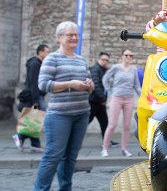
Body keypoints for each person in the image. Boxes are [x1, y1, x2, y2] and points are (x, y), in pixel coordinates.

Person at [34, 21, 94, 191]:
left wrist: (89, 85)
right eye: (70, 35)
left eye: (76, 34)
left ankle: (65, 188)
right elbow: (43, 85)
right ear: (58, 37)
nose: (74, 37)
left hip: (81, 114)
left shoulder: (81, 60)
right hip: (59, 116)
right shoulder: (52, 58)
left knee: (70, 157)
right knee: (53, 156)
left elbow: (89, 84)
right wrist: (71, 84)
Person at [101, 49, 141, 157]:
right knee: (112, 124)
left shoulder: (134, 69)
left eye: (130, 55)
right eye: (126, 55)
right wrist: (109, 91)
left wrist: (142, 96)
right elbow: (105, 79)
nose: (128, 57)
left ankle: (125, 149)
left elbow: (136, 85)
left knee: (127, 126)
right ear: (122, 56)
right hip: (116, 97)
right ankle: (104, 148)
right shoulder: (116, 68)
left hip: (129, 98)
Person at [13, 44, 50, 153]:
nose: (48, 54)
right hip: (34, 96)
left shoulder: (37, 63)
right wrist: (35, 100)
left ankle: (32, 143)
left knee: (33, 119)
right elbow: (34, 83)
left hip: (36, 95)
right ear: (41, 52)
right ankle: (21, 137)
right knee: (34, 119)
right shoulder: (35, 64)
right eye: (47, 52)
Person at [88, 52, 119, 147]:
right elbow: (96, 85)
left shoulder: (103, 69)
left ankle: (107, 141)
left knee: (104, 122)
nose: (105, 62)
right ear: (99, 59)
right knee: (86, 121)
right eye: (103, 60)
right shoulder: (95, 69)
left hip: (99, 101)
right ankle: (71, 139)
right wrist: (103, 98)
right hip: (94, 101)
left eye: (107, 60)